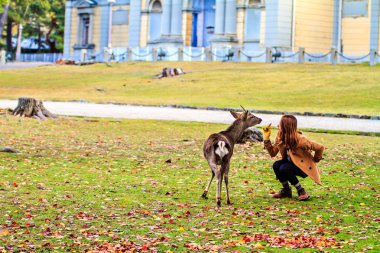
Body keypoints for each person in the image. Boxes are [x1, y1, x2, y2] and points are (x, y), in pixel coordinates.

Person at [262, 115, 325, 201]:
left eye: (280, 124)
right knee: (276, 165)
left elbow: (320, 147)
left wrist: (315, 160)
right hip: (290, 163)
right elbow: (273, 153)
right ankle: (286, 191)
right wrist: (266, 138)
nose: (277, 125)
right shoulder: (280, 136)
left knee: (284, 167)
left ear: (285, 126)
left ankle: (301, 191)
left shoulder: (301, 140)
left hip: (302, 167)